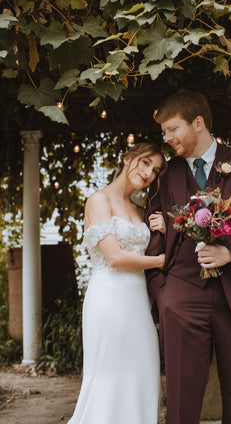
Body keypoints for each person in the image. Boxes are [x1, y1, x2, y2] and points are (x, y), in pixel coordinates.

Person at [145, 90, 231, 424]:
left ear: (199, 123)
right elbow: (154, 236)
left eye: (172, 129)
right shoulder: (167, 175)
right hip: (181, 296)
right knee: (180, 400)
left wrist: (229, 251)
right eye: (164, 132)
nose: (167, 138)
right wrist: (162, 293)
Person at [68, 142, 168, 424]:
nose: (149, 172)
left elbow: (143, 249)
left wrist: (163, 227)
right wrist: (162, 261)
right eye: (146, 162)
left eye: (156, 170)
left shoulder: (140, 210)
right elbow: (114, 257)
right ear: (128, 158)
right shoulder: (99, 200)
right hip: (109, 299)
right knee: (109, 378)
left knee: (143, 375)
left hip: (138, 303)